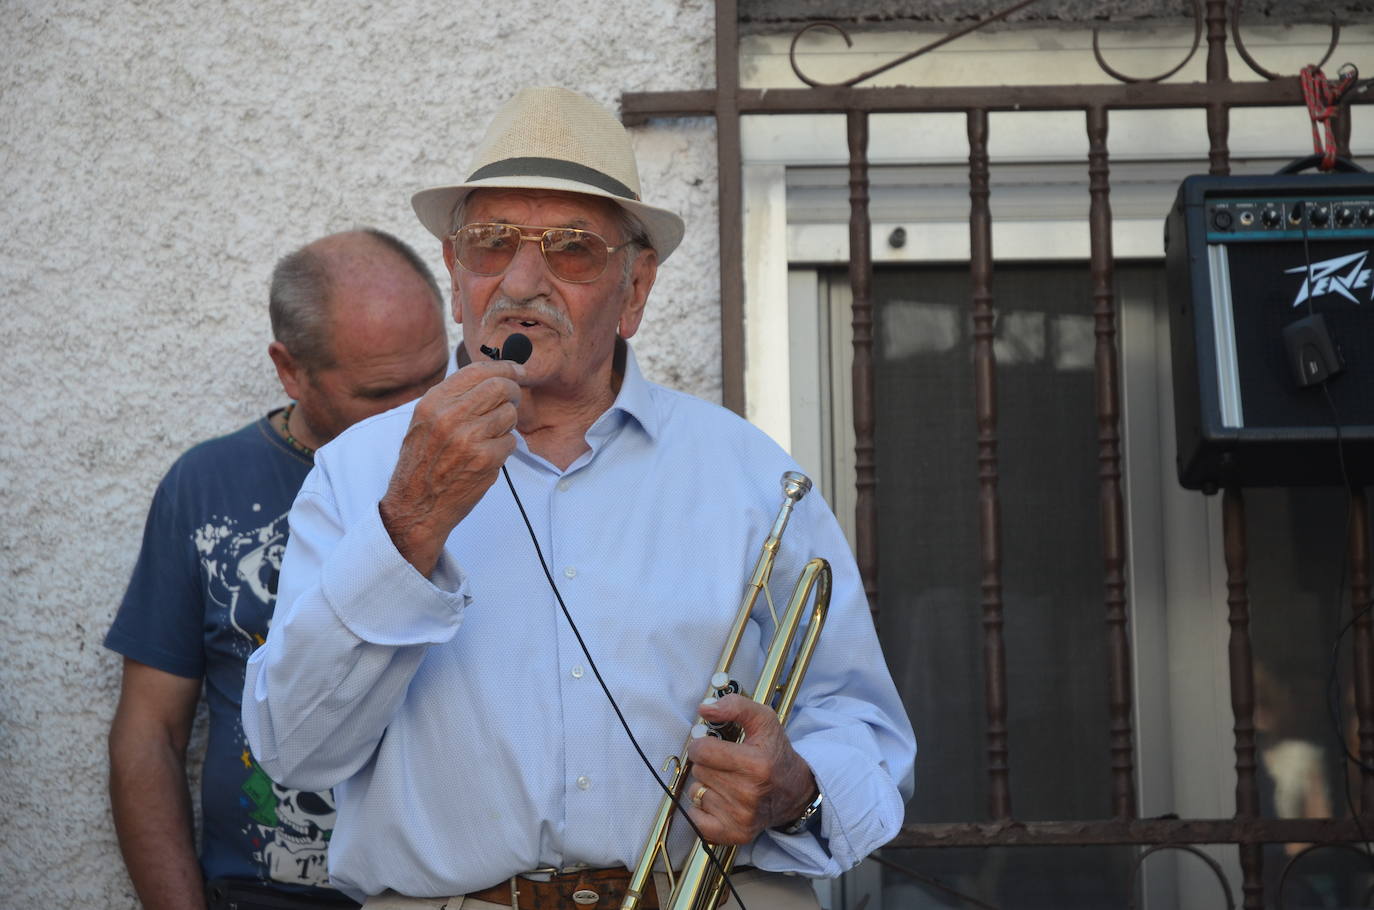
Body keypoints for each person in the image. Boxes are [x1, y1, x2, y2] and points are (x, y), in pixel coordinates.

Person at [242, 87, 916, 909]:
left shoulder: (747, 472)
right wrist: (410, 524)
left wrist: (794, 787)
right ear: (456, 277)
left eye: (571, 250)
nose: (521, 282)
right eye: (491, 244)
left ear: (635, 290)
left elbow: (864, 729)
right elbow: (295, 752)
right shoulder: (360, 474)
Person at [106, 228, 452, 910]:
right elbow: (151, 730)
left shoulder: (488, 474)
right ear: (290, 370)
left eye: (436, 376)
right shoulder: (207, 487)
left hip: (440, 892)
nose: (416, 417)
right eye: (383, 392)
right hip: (261, 893)